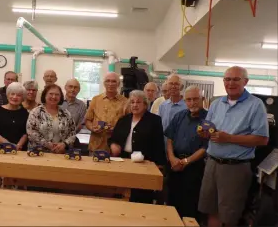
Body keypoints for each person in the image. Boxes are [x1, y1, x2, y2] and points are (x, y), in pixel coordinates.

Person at [198, 66, 269, 227]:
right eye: (227, 79)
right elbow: (208, 127)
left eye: (236, 79)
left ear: (245, 81)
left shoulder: (255, 105)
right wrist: (204, 132)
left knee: (229, 215)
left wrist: (229, 138)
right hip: (212, 163)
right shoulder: (217, 103)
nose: (231, 83)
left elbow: (262, 139)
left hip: (235, 167)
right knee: (211, 210)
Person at [108, 90, 166, 204]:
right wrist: (113, 145)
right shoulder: (123, 120)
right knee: (121, 194)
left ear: (145, 105)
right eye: (132, 102)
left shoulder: (154, 120)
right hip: (123, 161)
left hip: (144, 163)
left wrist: (159, 166)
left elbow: (158, 144)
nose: (134, 105)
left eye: (138, 102)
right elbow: (112, 139)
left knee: (141, 196)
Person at [164, 85, 207, 221]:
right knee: (172, 202)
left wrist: (186, 162)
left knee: (190, 205)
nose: (192, 103)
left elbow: (206, 147)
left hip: (194, 168)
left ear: (203, 99)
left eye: (195, 99)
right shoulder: (179, 116)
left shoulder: (208, 119)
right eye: (188, 99)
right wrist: (171, 158)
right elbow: (170, 139)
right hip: (175, 165)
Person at [85, 72, 127, 154]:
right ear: (104, 83)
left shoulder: (125, 102)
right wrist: (92, 128)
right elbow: (87, 120)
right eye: (108, 81)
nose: (110, 84)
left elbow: (128, 124)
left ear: (118, 84)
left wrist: (116, 130)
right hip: (96, 146)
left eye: (114, 81)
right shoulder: (96, 100)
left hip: (115, 148)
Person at [27, 84, 76, 153]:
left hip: (61, 153)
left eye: (57, 94)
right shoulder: (35, 112)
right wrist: (48, 145)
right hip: (38, 153)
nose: (54, 97)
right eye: (51, 94)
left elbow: (72, 133)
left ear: (60, 97)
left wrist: (64, 144)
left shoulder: (66, 114)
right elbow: (31, 133)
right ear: (45, 95)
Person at [0, 82, 28, 151]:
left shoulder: (25, 112)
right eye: (12, 94)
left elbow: (26, 133)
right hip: (0, 149)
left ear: (23, 98)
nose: (15, 97)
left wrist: (18, 145)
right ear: (7, 95)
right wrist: (9, 145)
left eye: (19, 95)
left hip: (19, 150)